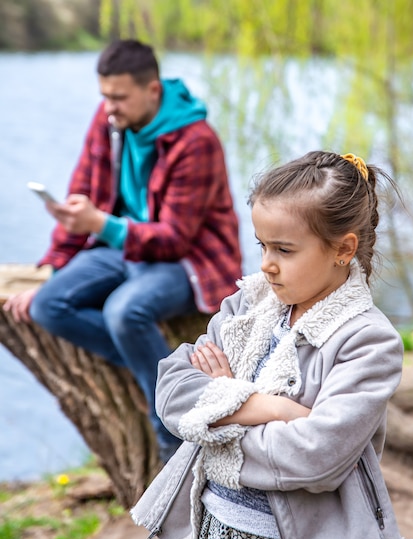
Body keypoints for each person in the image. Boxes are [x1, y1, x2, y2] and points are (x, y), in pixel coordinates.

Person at [131, 151, 413, 539]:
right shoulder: (251, 305)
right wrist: (270, 408)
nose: (266, 265)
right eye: (262, 245)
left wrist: (216, 415)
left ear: (343, 249)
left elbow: (315, 457)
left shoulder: (366, 340)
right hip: (222, 535)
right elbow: (173, 388)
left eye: (284, 250)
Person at [4, 39, 242, 463]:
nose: (109, 106)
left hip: (191, 261)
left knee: (123, 312)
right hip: (123, 249)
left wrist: (101, 224)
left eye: (119, 97)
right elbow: (82, 196)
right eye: (104, 96)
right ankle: (154, 368)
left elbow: (174, 239)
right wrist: (52, 268)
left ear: (152, 91)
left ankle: (172, 432)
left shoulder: (195, 141)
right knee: (47, 305)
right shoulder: (109, 120)